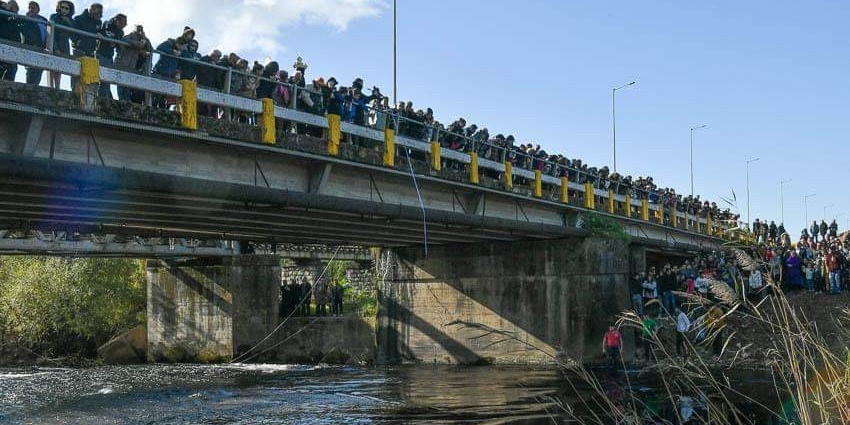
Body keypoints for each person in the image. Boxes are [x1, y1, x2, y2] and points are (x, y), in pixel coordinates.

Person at [114, 24, 151, 101]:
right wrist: (140, 45)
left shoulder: (143, 39)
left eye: (141, 29)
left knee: (127, 83)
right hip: (122, 62)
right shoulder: (128, 36)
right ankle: (121, 100)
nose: (139, 31)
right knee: (120, 82)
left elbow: (150, 48)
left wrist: (144, 38)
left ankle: (127, 100)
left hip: (131, 64)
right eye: (138, 29)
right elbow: (127, 41)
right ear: (134, 29)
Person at [69, 2, 101, 89]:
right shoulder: (79, 18)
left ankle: (88, 91)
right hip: (79, 50)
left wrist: (100, 35)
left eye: (100, 14)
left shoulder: (98, 21)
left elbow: (99, 33)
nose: (99, 16)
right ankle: (74, 90)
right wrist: (78, 42)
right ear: (92, 10)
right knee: (77, 72)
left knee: (90, 73)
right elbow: (72, 33)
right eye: (97, 13)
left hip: (91, 51)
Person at [95, 13, 126, 98]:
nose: (123, 25)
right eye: (122, 23)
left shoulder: (120, 32)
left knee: (107, 78)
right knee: (101, 76)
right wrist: (111, 40)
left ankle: (106, 97)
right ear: (117, 20)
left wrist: (114, 42)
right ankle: (103, 97)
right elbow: (104, 34)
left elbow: (118, 44)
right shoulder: (107, 24)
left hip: (109, 56)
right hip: (101, 53)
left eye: (124, 24)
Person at [47, 0, 74, 88]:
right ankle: (51, 86)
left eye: (67, 8)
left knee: (60, 67)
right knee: (52, 65)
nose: (64, 10)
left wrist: (68, 23)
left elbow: (73, 35)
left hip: (64, 45)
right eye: (62, 7)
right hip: (54, 43)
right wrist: (55, 48)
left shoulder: (71, 20)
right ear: (59, 7)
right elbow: (52, 33)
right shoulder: (54, 16)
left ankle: (57, 87)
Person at [21, 1, 48, 84]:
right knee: (30, 69)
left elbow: (47, 33)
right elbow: (24, 32)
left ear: (38, 9)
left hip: (43, 47)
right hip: (31, 46)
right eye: (29, 8)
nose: (31, 9)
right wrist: (27, 19)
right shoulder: (26, 19)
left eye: (33, 8)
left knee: (39, 69)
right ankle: (29, 87)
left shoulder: (44, 20)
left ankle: (35, 86)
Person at [0, 0, 21, 81]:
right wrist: (6, 10)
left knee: (12, 69)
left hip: (13, 46)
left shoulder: (17, 20)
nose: (14, 9)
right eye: (12, 6)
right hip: (2, 43)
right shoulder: (3, 14)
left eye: (15, 7)